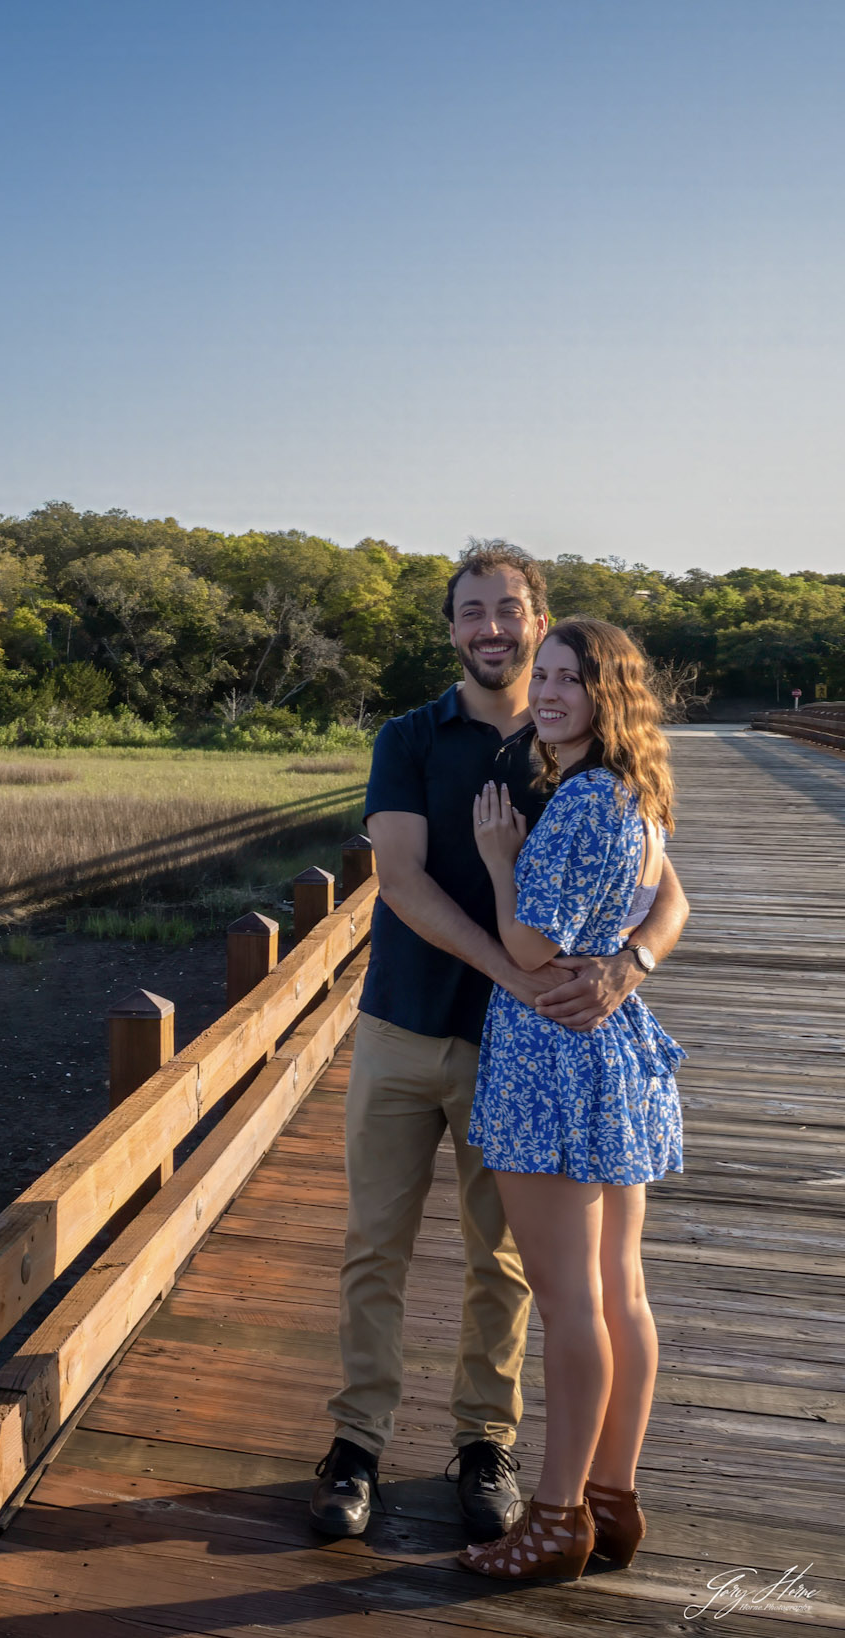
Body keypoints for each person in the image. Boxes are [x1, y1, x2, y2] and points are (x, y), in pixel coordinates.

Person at [307, 544, 689, 1546]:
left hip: (521, 1052)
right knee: (372, 1247)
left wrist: (627, 966)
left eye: (508, 611)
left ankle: (485, 1443)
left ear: (537, 620)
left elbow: (668, 892)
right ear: (448, 628)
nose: (491, 629)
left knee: (507, 1264)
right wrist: (512, 969)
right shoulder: (409, 737)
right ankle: (355, 1446)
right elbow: (398, 879)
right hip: (404, 1022)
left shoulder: (571, 748)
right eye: (470, 611)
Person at [456, 618, 684, 1580]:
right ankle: (612, 1500)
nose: (546, 692)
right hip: (612, 1055)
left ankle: (553, 1519)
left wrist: (502, 858)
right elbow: (669, 902)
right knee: (621, 1293)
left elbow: (528, 951)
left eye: (567, 680)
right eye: (540, 675)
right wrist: (628, 963)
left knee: (569, 1304)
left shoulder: (585, 801)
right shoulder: (635, 793)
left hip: (551, 1062)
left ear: (608, 695)